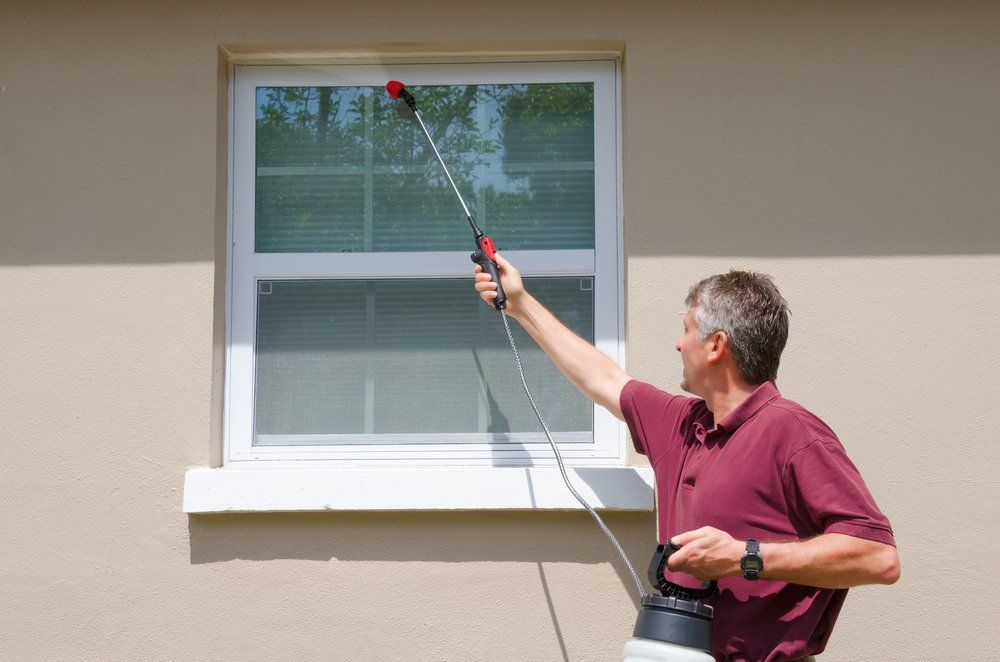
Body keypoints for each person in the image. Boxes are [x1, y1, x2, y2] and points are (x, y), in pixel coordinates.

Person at [473, 254, 899, 662]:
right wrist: (520, 303)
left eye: (686, 330)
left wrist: (744, 558)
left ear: (716, 345)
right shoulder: (683, 423)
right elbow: (600, 377)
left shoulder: (792, 432)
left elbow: (877, 557)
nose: (678, 345)